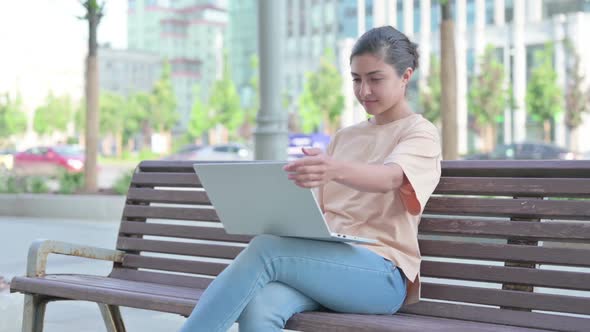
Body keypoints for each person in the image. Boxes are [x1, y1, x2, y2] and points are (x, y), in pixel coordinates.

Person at [179, 25, 441, 332]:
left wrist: (333, 169)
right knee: (261, 306)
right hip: (328, 264)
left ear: (405, 76)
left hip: (382, 274)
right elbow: (316, 215)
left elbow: (391, 177)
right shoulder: (345, 137)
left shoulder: (419, 133)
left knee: (267, 250)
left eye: (375, 79)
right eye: (357, 79)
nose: (364, 91)